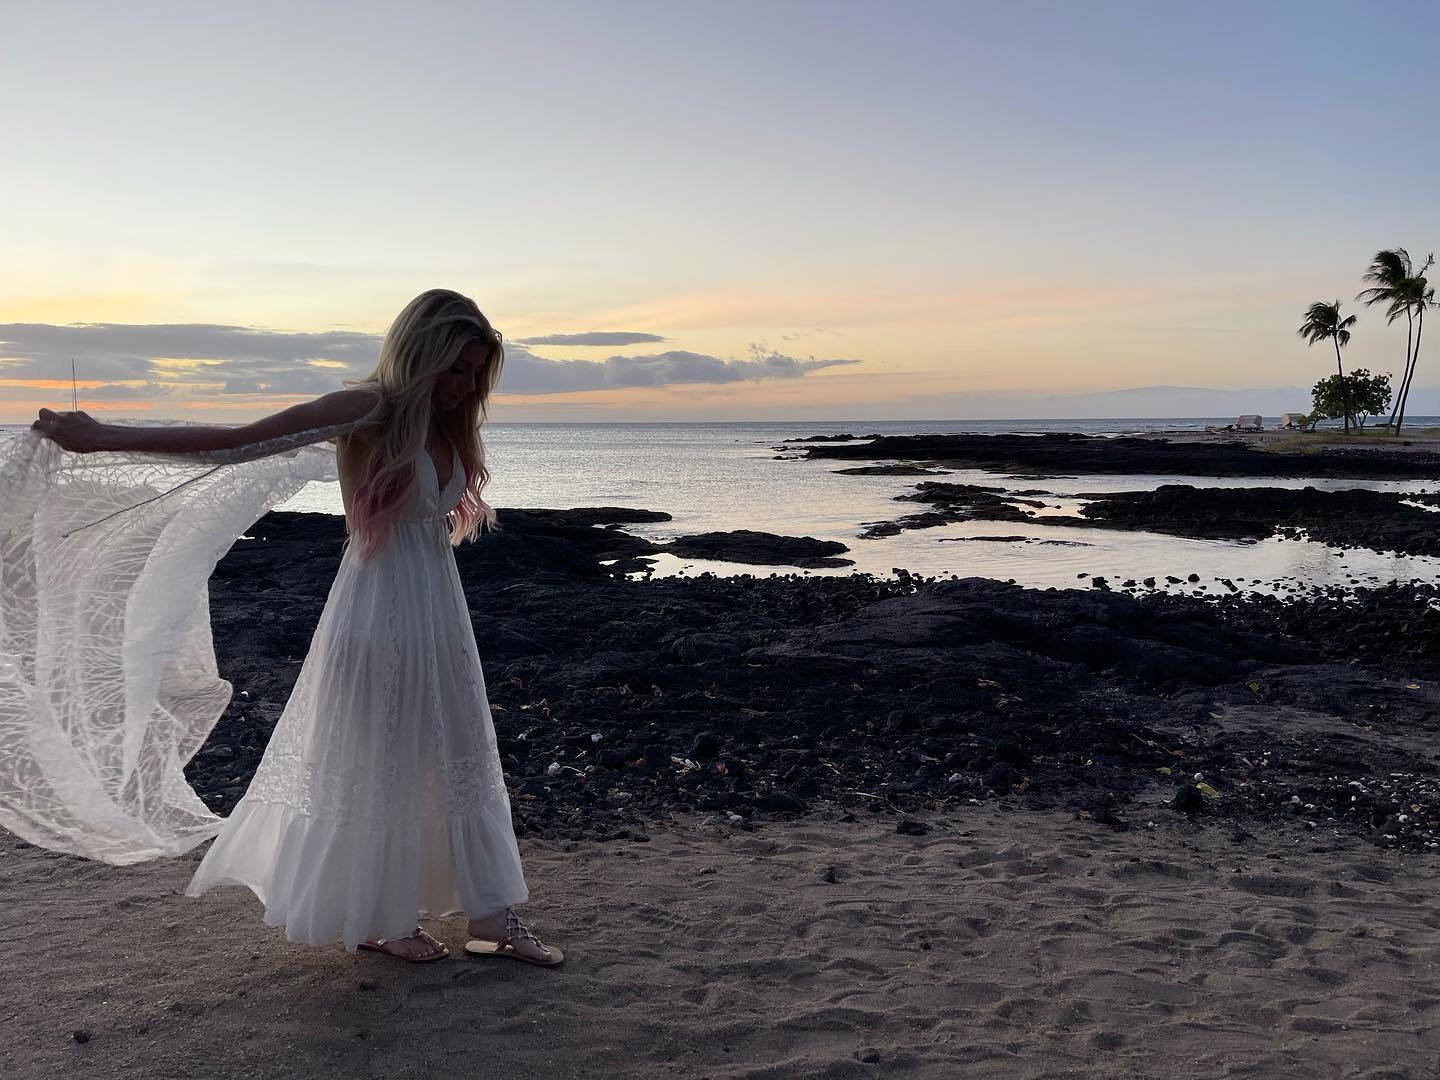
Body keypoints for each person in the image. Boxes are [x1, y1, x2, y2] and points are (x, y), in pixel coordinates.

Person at [28, 288, 562, 966]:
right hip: (375, 614)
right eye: (453, 367)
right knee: (380, 759)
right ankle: (376, 916)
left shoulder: (446, 426)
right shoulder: (366, 408)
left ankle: (489, 917)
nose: (462, 386)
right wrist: (102, 438)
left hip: (438, 615)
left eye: (474, 372)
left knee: (458, 754)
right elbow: (237, 442)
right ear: (418, 354)